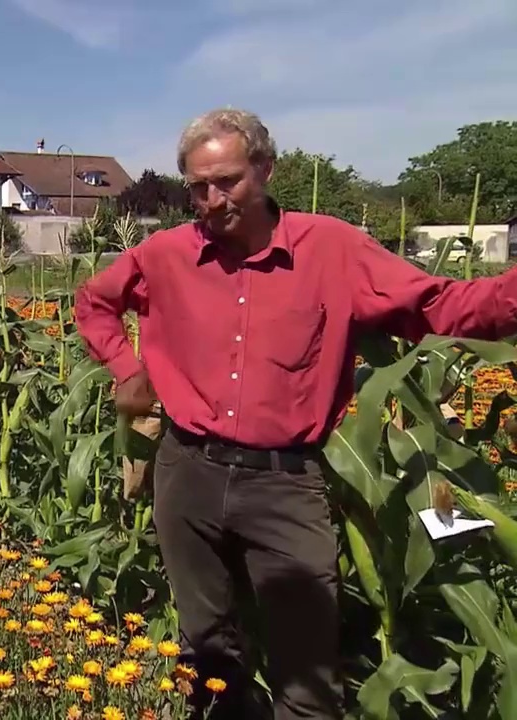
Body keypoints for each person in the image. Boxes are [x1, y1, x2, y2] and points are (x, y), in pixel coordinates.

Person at [73, 107, 517, 720]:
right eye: (198, 186)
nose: (212, 199)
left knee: (306, 673)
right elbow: (93, 302)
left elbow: (436, 306)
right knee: (208, 654)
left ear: (265, 169)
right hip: (187, 473)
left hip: (286, 483)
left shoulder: (333, 249)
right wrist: (127, 366)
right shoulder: (165, 254)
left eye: (226, 181)